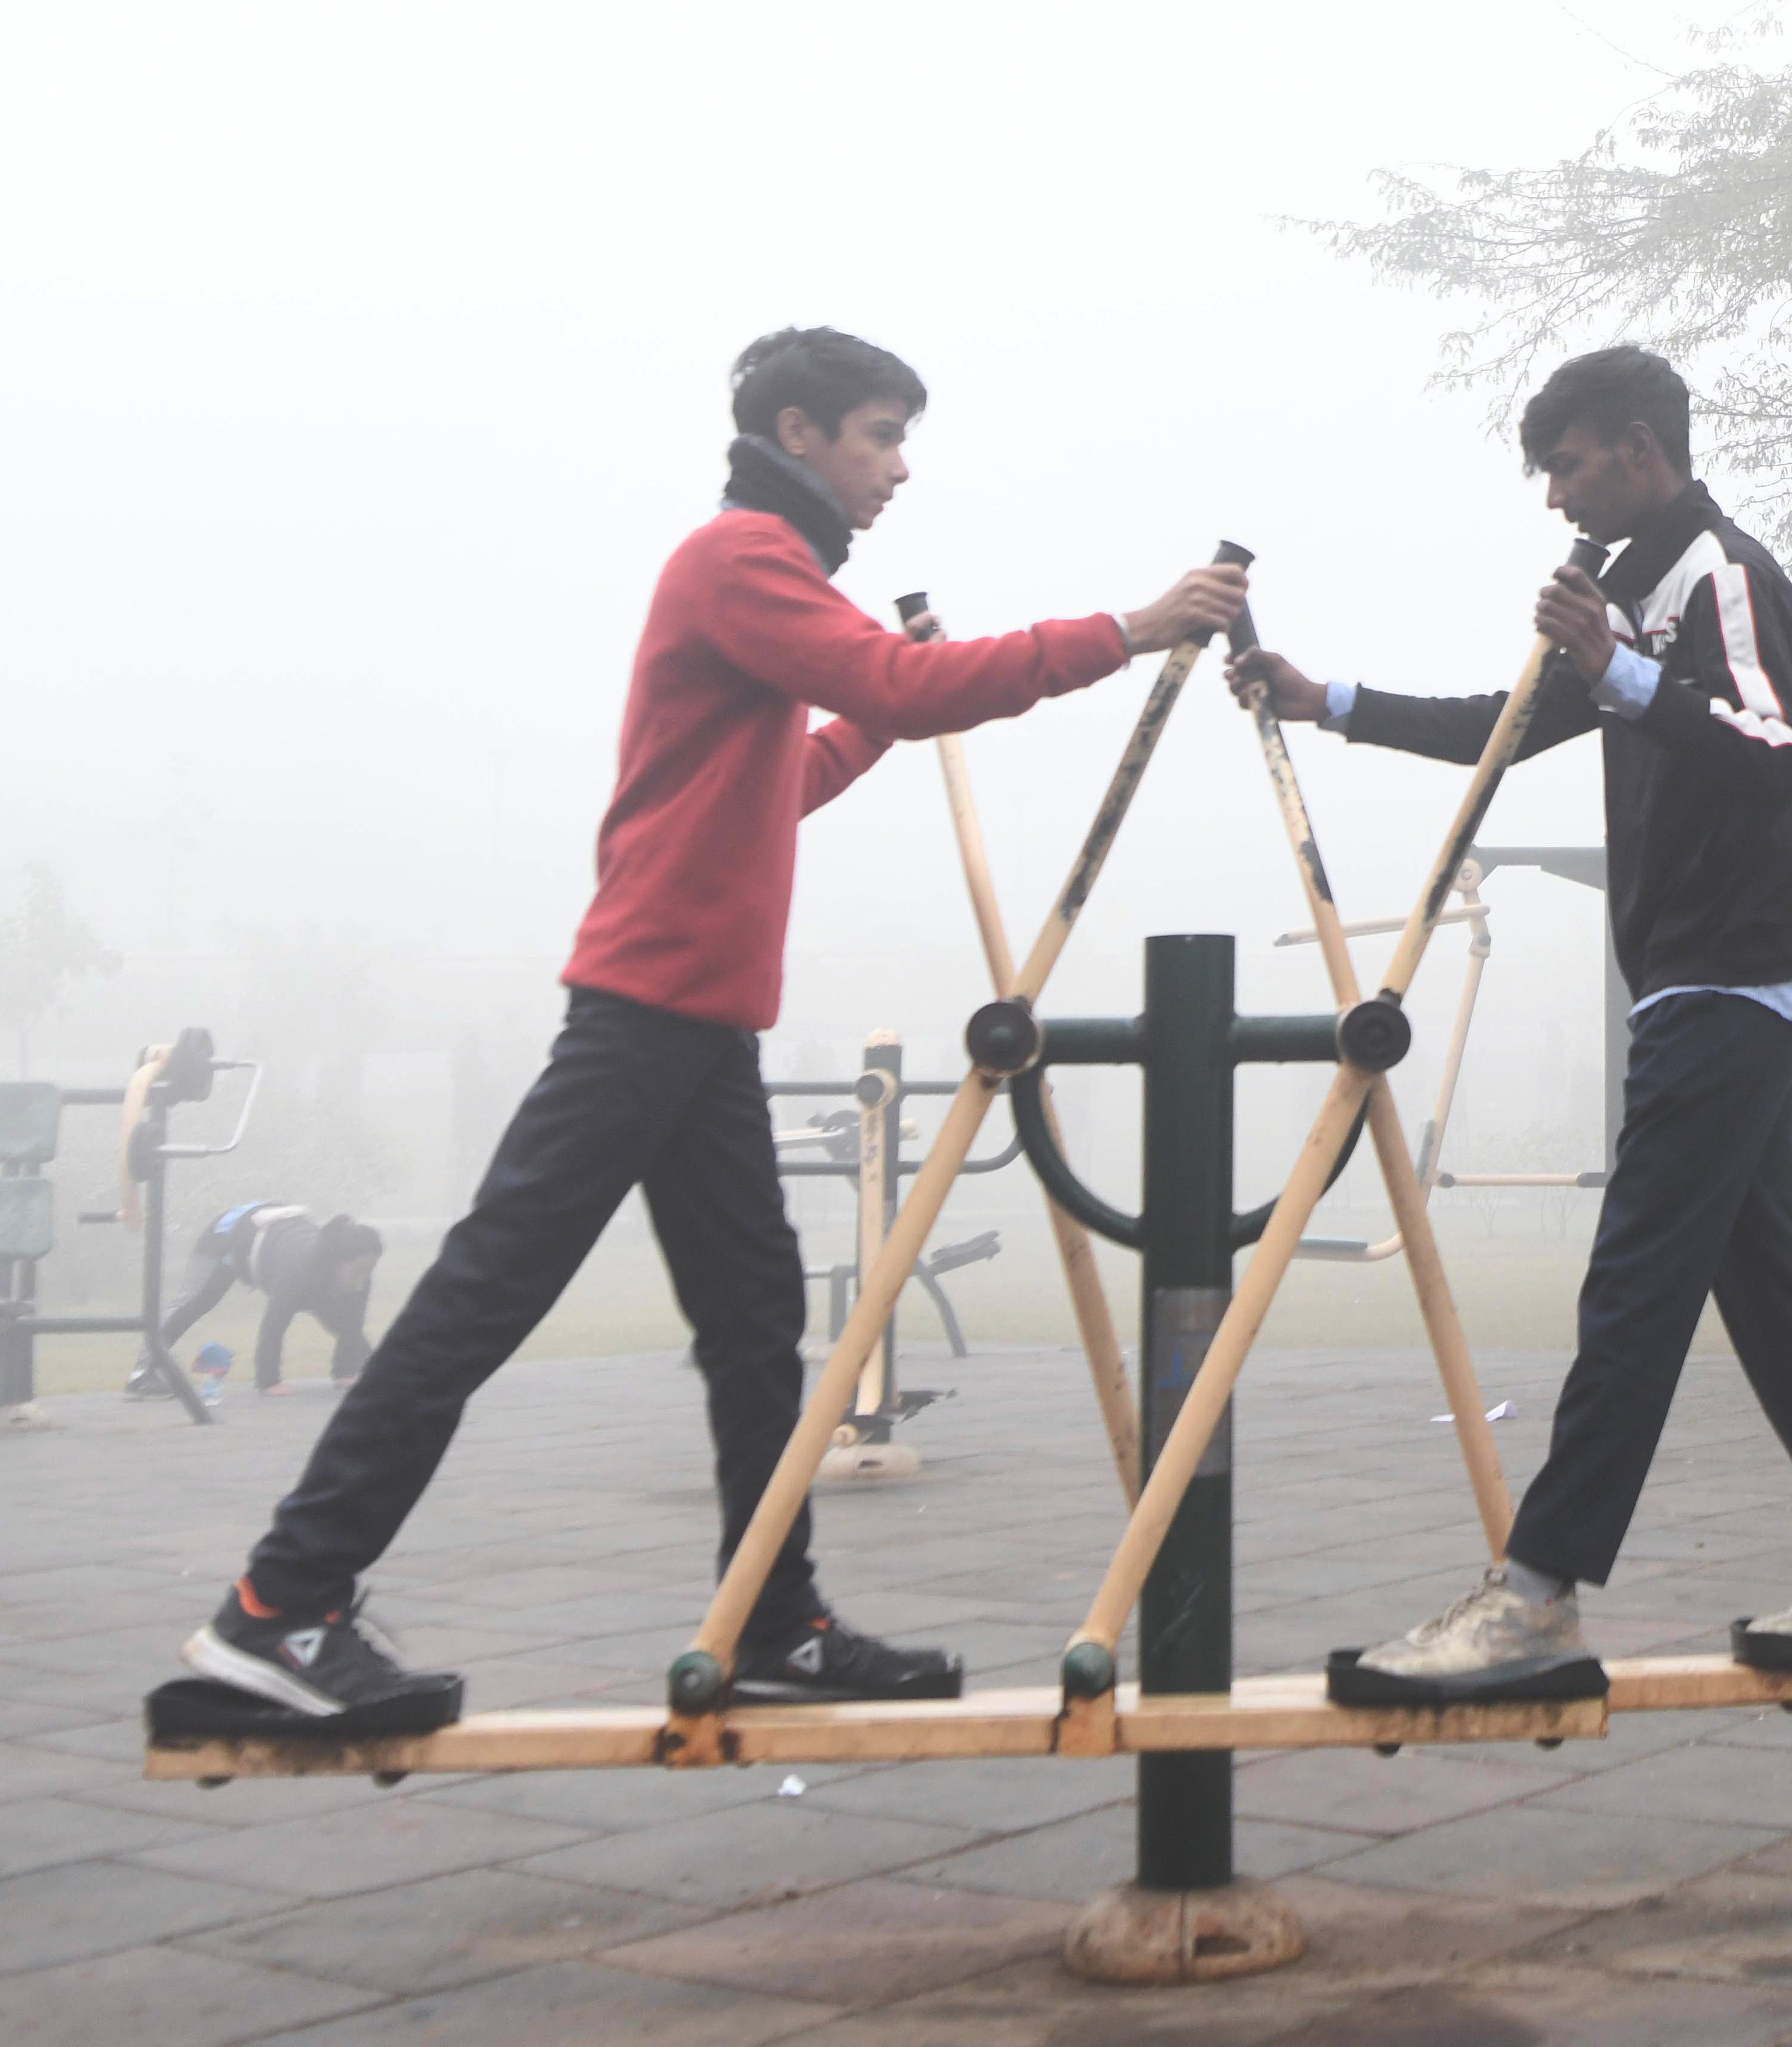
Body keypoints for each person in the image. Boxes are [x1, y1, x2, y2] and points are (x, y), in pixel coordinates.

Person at [167, 327, 1248, 1736]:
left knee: (752, 1332)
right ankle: (275, 1609)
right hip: (640, 1021)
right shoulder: (739, 558)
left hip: (700, 1035)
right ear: (797, 433)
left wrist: (883, 717)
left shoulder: (770, 582)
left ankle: (770, 1620)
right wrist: (1131, 626)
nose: (899, 467)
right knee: (476, 1304)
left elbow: (779, 778)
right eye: (879, 435)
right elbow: (905, 687)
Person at [1227, 345, 1792, 1698]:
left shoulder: (1720, 575)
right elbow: (1491, 730)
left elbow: (1771, 749)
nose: (1557, 493)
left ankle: (1535, 1597)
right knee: (1768, 1290)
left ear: (1639, 443)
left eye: (1568, 463)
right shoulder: (1624, 595)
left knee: (1634, 1279)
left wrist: (1621, 674)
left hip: (1736, 972)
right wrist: (1320, 696)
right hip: (1691, 973)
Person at [136, 1203, 380, 1396]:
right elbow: (273, 1327)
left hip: (278, 1237)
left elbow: (351, 1327)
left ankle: (351, 1366)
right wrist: (269, 1381)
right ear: (336, 1261)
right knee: (195, 1302)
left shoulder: (359, 1280)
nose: (362, 1279)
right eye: (358, 1271)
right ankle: (142, 1374)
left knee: (345, 1325)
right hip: (229, 1235)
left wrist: (345, 1374)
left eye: (367, 1271)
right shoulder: (298, 1271)